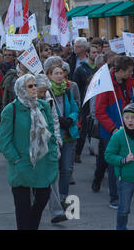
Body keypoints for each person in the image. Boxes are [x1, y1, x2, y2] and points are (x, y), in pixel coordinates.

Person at [0, 74, 58, 230]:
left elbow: (50, 133)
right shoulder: (10, 110)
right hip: (21, 165)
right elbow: (4, 142)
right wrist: (17, 160)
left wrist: (53, 155)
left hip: (43, 164)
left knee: (41, 201)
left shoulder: (43, 106)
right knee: (23, 209)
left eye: (35, 85)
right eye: (30, 86)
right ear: (20, 89)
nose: (34, 88)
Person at [94, 55, 134, 210]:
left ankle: (125, 192)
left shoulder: (131, 83)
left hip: (128, 127)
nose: (131, 74)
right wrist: (112, 128)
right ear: (120, 71)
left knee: (128, 161)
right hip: (110, 132)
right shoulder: (106, 85)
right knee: (114, 165)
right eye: (129, 71)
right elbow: (99, 111)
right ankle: (115, 197)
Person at [105, 103, 134, 230]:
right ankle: (121, 228)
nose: (130, 120)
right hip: (125, 180)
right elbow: (108, 155)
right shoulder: (118, 136)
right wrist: (123, 160)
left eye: (133, 118)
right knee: (124, 210)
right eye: (127, 117)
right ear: (123, 118)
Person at [34, 74, 67, 224]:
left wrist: (58, 141)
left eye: (45, 91)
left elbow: (54, 121)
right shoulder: (25, 100)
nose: (43, 94)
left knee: (53, 177)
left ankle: (57, 212)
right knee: (32, 182)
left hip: (49, 145)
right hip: (32, 148)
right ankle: (30, 211)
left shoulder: (49, 98)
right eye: (40, 91)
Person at [47, 64, 80, 206]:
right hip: (54, 135)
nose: (60, 76)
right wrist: (56, 120)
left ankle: (63, 197)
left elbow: (75, 108)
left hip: (68, 135)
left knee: (66, 169)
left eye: (61, 73)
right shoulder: (46, 92)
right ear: (49, 75)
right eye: (56, 73)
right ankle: (51, 198)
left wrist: (70, 119)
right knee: (53, 169)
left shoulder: (67, 91)